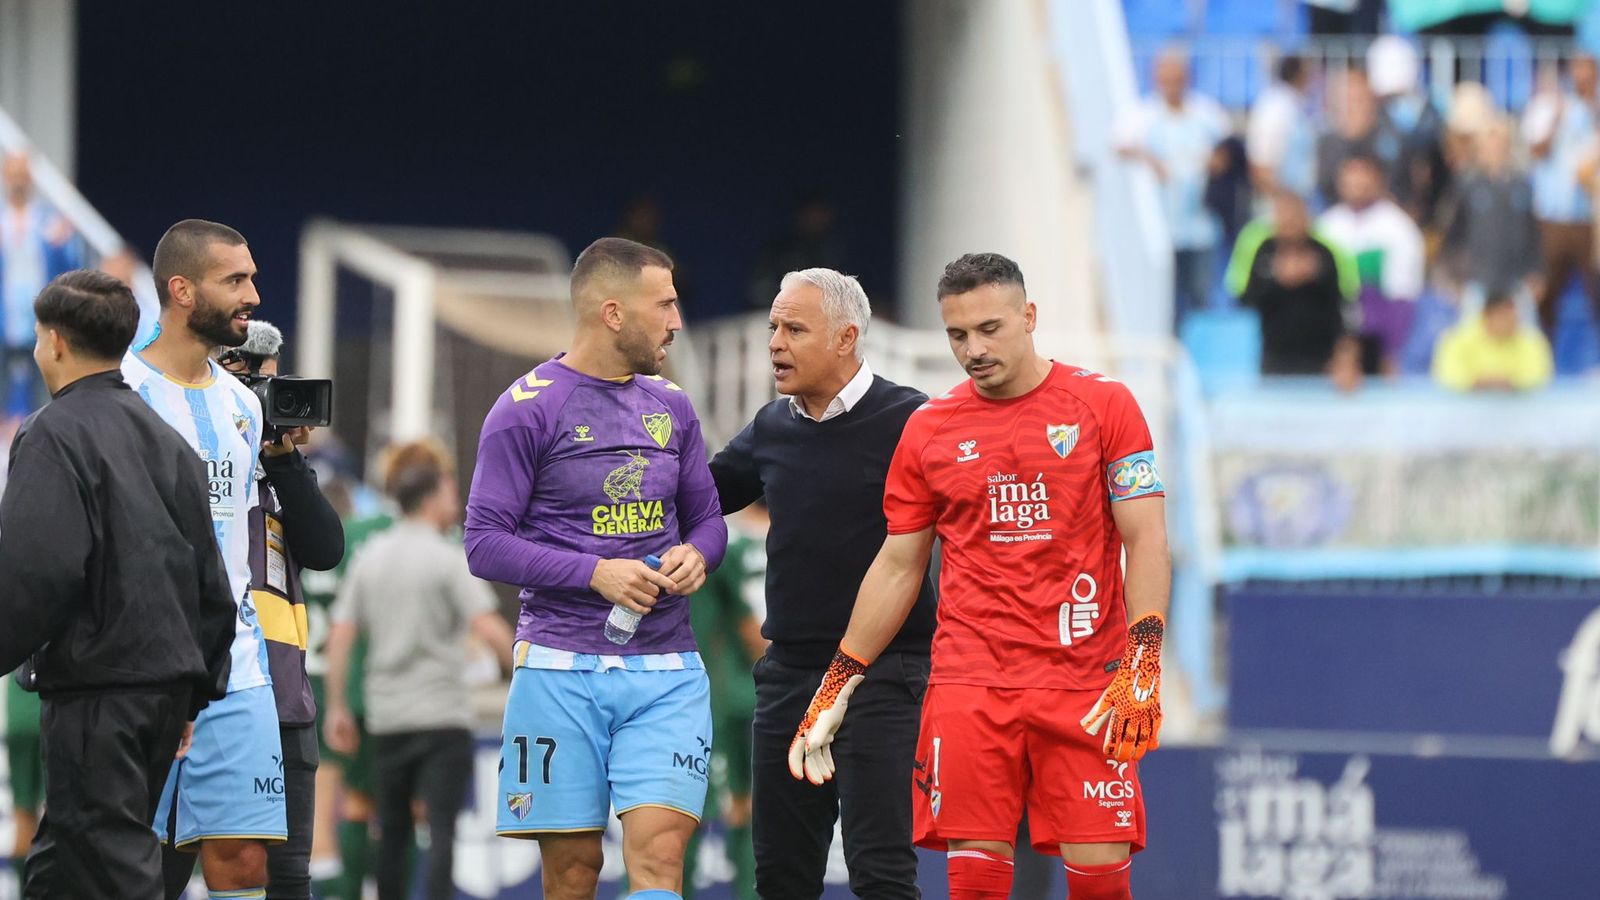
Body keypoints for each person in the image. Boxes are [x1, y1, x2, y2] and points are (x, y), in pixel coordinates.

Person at [788, 253, 1172, 900]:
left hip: (1084, 682)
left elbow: (1147, 537)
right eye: (957, 335)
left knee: (1103, 887)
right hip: (970, 685)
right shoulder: (930, 430)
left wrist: (1145, 658)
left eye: (990, 328)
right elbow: (898, 564)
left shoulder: (1106, 406)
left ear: (1029, 317)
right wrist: (840, 679)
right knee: (975, 889)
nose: (974, 349)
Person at [465, 236, 728, 900]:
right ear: (612, 312)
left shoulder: (673, 407)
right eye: (664, 304)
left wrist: (700, 553)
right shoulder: (524, 411)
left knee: (661, 858)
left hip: (667, 670)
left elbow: (709, 519)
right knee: (575, 868)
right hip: (559, 668)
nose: (676, 320)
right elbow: (483, 544)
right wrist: (595, 572)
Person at [0, 269, 236, 898]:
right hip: (164, 693)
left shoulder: (53, 432)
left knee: (112, 856)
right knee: (62, 862)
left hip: (98, 691)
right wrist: (194, 689)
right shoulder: (170, 442)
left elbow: (38, 569)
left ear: (53, 342)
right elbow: (209, 580)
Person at [708, 268, 935, 899]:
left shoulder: (912, 418)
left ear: (846, 337)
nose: (776, 341)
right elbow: (698, 497)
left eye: (794, 328)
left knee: (881, 874)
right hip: (788, 675)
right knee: (779, 877)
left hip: (885, 674)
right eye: (774, 327)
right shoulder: (772, 427)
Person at [125, 218, 285, 900]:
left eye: (251, 276)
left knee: (244, 858)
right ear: (182, 290)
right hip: (135, 671)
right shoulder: (120, 394)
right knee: (135, 864)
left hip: (236, 667)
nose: (252, 293)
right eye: (235, 280)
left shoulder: (244, 405)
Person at [323, 447, 513, 900]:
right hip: (443, 715)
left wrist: (335, 706)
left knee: (391, 829)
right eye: (450, 494)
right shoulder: (447, 558)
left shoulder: (371, 558)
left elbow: (342, 635)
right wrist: (526, 675)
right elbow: (489, 628)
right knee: (442, 828)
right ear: (429, 499)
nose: (458, 503)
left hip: (388, 717)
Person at [216, 320, 347, 900]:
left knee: (289, 881)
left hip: (286, 698)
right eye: (253, 382)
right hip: (211, 695)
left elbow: (325, 549)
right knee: (164, 870)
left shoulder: (280, 471)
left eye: (271, 384)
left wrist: (283, 459)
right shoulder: (195, 451)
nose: (265, 399)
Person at [681, 503, 766, 900]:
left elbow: (748, 627)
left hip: (716, 698)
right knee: (734, 807)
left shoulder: (718, 551)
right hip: (719, 698)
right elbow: (750, 630)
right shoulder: (718, 549)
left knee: (693, 811)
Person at [1115, 49, 1232, 325]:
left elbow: (1229, 150)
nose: (1172, 83)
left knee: (1201, 295)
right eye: (1166, 77)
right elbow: (1119, 146)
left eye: (1177, 77)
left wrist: (1216, 161)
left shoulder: (1207, 113)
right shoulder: (1142, 115)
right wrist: (1148, 158)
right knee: (1165, 300)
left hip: (1201, 225)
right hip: (1162, 228)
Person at [1227, 190, 1363, 384]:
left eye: (1295, 214)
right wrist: (1276, 279)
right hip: (1274, 358)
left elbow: (1347, 305)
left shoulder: (1326, 252)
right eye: (1282, 214)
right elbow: (1243, 298)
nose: (1289, 221)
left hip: (1322, 360)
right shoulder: (1262, 250)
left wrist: (1346, 355)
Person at [1317, 154, 1427, 372]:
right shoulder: (1327, 226)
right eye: (1350, 179)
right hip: (1333, 336)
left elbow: (1403, 295)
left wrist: (1391, 351)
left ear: (1378, 181)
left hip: (1377, 337)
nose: (1357, 186)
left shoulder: (1398, 227)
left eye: (1363, 179)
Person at [1522, 53, 1600, 338]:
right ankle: (1543, 355)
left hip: (1590, 216)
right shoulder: (1552, 106)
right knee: (1547, 290)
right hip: (1553, 216)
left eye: (1587, 70)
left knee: (1596, 290)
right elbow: (1536, 151)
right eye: (1577, 69)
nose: (1582, 76)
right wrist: (1557, 118)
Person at [0, 150, 82, 421]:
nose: (18, 181)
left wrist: (62, 241)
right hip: (5, 314)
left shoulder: (47, 219)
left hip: (41, 313)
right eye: (13, 174)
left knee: (43, 381)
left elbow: (71, 265)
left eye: (22, 174)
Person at [1438, 118, 1541, 299]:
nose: (1495, 150)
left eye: (1500, 145)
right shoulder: (1466, 184)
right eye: (1490, 145)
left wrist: (1536, 271)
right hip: (1476, 281)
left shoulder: (1521, 185)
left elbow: (1532, 233)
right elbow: (1453, 234)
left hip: (1515, 281)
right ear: (1479, 149)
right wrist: (1454, 278)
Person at [1431, 292, 1555, 392]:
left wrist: (1508, 383)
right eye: (1505, 314)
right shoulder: (1456, 339)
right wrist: (1478, 383)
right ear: (1487, 315)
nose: (1513, 320)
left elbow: (1538, 377)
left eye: (1515, 314)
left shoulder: (1532, 340)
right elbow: (1447, 376)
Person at [1248, 55, 1318, 203]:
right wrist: (1283, 201)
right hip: (1280, 202)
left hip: (1299, 199)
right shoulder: (1274, 107)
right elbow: (1261, 162)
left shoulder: (1296, 105)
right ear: (1300, 75)